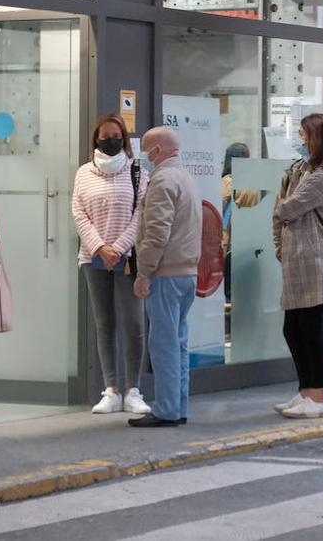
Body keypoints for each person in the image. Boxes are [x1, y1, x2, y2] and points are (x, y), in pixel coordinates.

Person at [72, 113, 150, 416]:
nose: (109, 141)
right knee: (104, 324)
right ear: (96, 140)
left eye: (115, 136)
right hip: (93, 258)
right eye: (104, 137)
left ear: (125, 139)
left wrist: (117, 248)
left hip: (127, 258)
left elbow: (141, 214)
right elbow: (79, 213)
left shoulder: (137, 172)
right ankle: (111, 389)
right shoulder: (83, 173)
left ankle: (133, 389)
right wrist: (100, 247)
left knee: (134, 323)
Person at [127, 127, 202, 427]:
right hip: (186, 272)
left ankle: (167, 410)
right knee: (178, 341)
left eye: (146, 149)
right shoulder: (185, 177)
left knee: (163, 343)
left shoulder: (163, 180)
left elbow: (157, 231)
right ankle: (177, 405)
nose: (144, 156)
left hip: (165, 273)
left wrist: (144, 272)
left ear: (157, 150)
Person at [272, 113, 323, 418]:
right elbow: (282, 208)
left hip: (313, 260)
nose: (298, 141)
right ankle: (305, 391)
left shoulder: (322, 176)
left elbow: (287, 207)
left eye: (302, 135)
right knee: (294, 329)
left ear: (316, 139)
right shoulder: (301, 170)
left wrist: (282, 205)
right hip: (296, 259)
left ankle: (318, 396)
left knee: (311, 329)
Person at [220, 142, 260, 303]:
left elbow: (220, 210)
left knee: (229, 295)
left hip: (230, 246)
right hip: (250, 246)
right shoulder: (253, 182)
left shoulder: (227, 182)